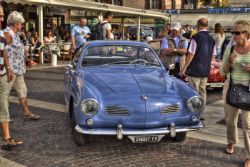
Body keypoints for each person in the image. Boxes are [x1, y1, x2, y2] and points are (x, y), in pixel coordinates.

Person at [220, 20, 250, 167]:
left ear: (246, 34)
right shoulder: (230, 48)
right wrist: (230, 62)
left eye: (237, 33)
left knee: (247, 124)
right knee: (230, 120)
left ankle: (249, 156)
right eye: (233, 32)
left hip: (248, 89)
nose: (234, 35)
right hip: (231, 86)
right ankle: (231, 142)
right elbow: (222, 71)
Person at [180, 18, 216, 120]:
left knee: (193, 91)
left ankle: (194, 113)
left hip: (195, 68)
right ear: (207, 25)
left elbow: (191, 54)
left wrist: (184, 67)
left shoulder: (196, 37)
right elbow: (213, 56)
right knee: (202, 91)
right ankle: (201, 112)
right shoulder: (211, 39)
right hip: (205, 69)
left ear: (198, 25)